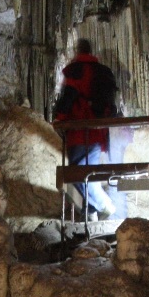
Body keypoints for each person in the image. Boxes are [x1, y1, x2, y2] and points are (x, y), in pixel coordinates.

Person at [54, 39, 120, 219]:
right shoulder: (100, 71)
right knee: (84, 170)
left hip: (81, 130)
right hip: (98, 131)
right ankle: (90, 213)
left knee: (79, 173)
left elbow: (68, 98)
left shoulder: (77, 71)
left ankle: (103, 206)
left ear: (77, 50)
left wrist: (59, 117)